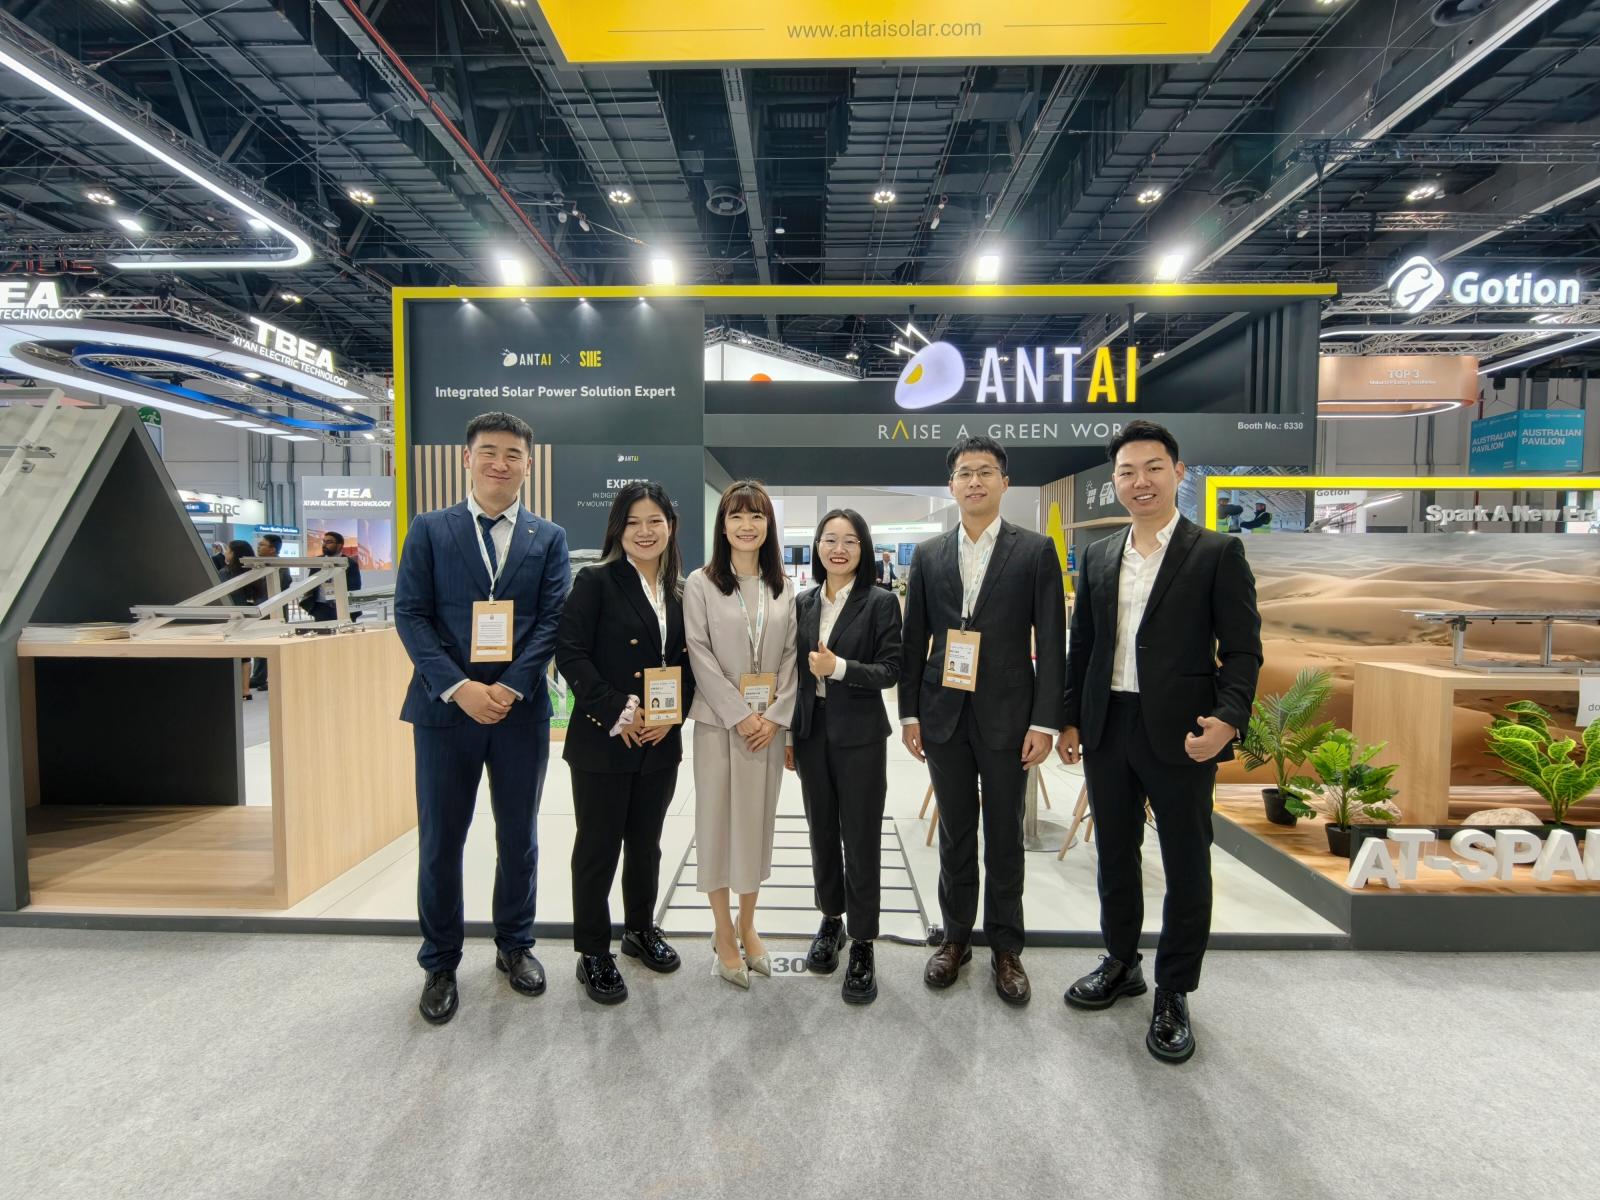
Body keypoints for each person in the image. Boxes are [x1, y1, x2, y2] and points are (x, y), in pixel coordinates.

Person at [1058, 418, 1262, 1064]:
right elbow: (1084, 646)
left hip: (1183, 733)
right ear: (1114, 481)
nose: (1139, 481)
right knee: (1114, 854)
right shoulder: (1098, 555)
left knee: (1186, 862)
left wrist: (1229, 718)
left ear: (1178, 472)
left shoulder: (1217, 552)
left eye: (1152, 468)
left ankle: (1174, 989)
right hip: (1108, 726)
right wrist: (1071, 719)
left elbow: (1243, 651)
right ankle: (1122, 962)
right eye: (1126, 472)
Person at [395, 411, 570, 1026]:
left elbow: (553, 619)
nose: (501, 463)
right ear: (467, 459)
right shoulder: (430, 529)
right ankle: (440, 961)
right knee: (441, 840)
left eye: (513, 454)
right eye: (489, 452)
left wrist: (511, 686)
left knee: (518, 836)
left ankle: (515, 944)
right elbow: (411, 614)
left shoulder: (548, 537)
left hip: (519, 714)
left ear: (529, 464)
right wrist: (459, 686)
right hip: (446, 712)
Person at [899, 434, 1065, 1006]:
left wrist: (1045, 722)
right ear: (951, 485)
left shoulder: (1035, 550)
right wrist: (909, 713)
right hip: (942, 715)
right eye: (964, 473)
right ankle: (954, 939)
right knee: (955, 833)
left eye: (985, 471)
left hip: (1009, 717)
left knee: (1004, 837)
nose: (974, 481)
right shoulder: (928, 555)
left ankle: (1006, 948)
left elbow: (1053, 640)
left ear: (1004, 482)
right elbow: (913, 638)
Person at [554, 482, 695, 1005]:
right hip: (603, 740)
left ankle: (639, 929)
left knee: (646, 844)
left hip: (659, 741)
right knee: (597, 848)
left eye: (655, 521)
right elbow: (570, 651)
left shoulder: (682, 591)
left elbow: (691, 663)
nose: (644, 531)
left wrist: (671, 716)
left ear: (670, 527)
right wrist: (618, 708)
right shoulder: (596, 581)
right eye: (633, 522)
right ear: (617, 529)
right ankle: (593, 950)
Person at [785, 509, 902, 1004]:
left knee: (861, 837)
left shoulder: (880, 602)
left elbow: (890, 669)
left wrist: (839, 668)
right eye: (829, 539)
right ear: (817, 547)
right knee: (821, 833)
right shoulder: (804, 602)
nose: (838, 549)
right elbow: (793, 674)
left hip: (861, 739)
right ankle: (830, 919)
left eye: (850, 541)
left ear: (863, 548)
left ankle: (864, 941)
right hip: (812, 734)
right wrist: (790, 734)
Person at [684, 480, 797, 989]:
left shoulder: (783, 586)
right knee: (716, 824)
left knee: (755, 824)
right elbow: (698, 652)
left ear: (768, 525)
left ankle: (748, 923)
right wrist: (737, 713)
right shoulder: (701, 584)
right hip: (718, 725)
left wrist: (774, 716)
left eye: (756, 516)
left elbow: (791, 656)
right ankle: (722, 929)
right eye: (736, 516)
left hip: (765, 730)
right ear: (723, 525)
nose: (746, 525)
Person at [248, 534, 290, 690]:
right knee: (260, 643)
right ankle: (259, 677)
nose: (258, 547)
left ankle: (272, 678)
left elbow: (280, 587)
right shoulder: (259, 565)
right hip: (260, 609)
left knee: (274, 644)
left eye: (262, 544)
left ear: (273, 549)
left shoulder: (281, 566)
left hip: (274, 611)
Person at [223, 539, 264, 700]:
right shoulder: (253, 572)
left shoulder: (226, 573)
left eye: (228, 550)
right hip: (247, 616)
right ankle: (245, 690)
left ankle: (231, 689)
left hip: (229, 616)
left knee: (230, 653)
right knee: (245, 655)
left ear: (234, 554)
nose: (226, 553)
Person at [303, 529, 362, 625]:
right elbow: (312, 583)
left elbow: (354, 587)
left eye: (329, 542)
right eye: (324, 542)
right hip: (321, 607)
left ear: (339, 545)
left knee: (344, 632)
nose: (324, 545)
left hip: (342, 607)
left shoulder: (350, 564)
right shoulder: (317, 561)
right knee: (322, 633)